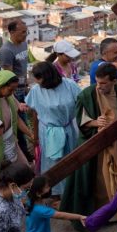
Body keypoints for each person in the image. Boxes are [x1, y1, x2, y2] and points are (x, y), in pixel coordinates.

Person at [60, 63, 117, 216]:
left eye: (103, 83)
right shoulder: (87, 94)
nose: (99, 86)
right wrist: (96, 122)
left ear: (114, 81)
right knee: (101, 180)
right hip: (98, 144)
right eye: (97, 82)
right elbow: (81, 118)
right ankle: (106, 213)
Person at [24, 62, 81, 197]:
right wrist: (35, 136)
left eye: (38, 78)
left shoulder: (69, 85)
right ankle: (53, 192)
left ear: (48, 76)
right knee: (51, 163)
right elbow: (34, 113)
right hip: (48, 132)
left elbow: (81, 105)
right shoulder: (36, 90)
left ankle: (70, 192)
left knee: (69, 160)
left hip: (68, 129)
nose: (37, 81)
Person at [0, 20, 30, 97]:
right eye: (23, 32)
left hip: (24, 86)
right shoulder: (6, 50)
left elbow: (23, 67)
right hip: (14, 90)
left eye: (26, 32)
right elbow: (8, 76)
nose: (25, 34)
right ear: (12, 32)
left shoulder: (24, 44)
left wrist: (25, 85)